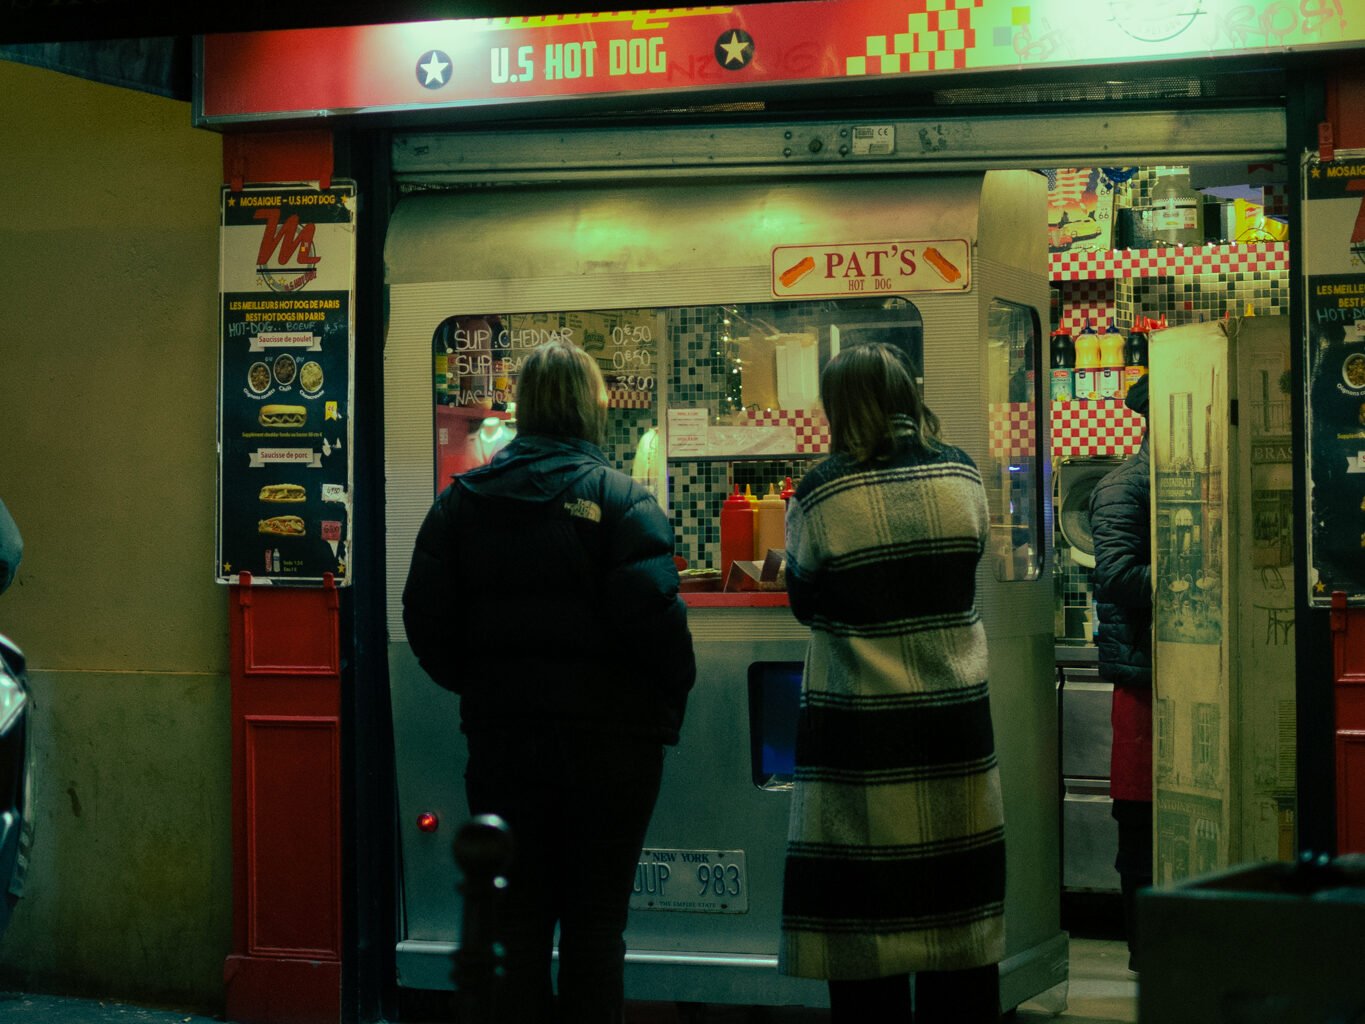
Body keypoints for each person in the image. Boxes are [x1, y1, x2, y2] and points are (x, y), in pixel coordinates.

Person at [402, 339, 696, 1024]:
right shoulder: (622, 501)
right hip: (614, 755)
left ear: (528, 407)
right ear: (591, 407)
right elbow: (664, 639)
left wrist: (485, 690)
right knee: (596, 932)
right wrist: (653, 713)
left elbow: (425, 622)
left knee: (519, 930)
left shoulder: (460, 505)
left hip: (505, 747)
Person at [780, 343, 1005, 1024]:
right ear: (909, 395)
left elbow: (804, 600)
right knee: (957, 920)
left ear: (838, 407)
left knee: (862, 929)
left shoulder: (822, 489)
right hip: (953, 726)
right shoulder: (963, 474)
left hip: (860, 735)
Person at [1087, 373, 1153, 975]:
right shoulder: (1122, 487)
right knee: (1139, 820)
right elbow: (1117, 575)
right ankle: (1142, 949)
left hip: (1177, 675)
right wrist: (1197, 578)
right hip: (1143, 680)